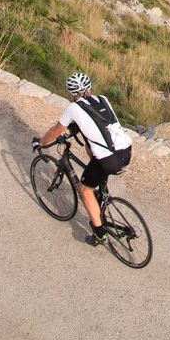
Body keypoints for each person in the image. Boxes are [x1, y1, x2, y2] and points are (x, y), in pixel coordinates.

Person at [34, 72, 133, 245]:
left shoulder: (73, 108)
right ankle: (102, 193)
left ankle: (99, 234)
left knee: (85, 189)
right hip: (126, 151)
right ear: (90, 88)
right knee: (95, 158)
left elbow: (56, 131)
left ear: (72, 93)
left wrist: (41, 143)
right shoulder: (103, 99)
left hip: (107, 160)